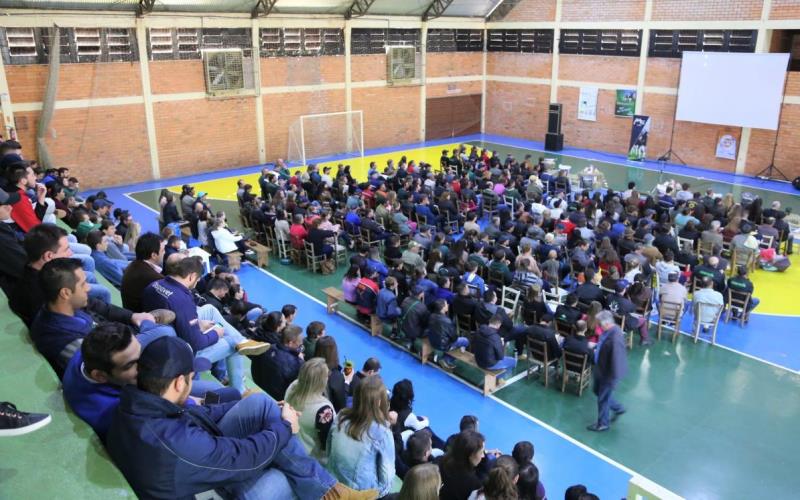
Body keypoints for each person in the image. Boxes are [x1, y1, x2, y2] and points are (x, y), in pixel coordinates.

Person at [105, 336, 373, 500]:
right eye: (190, 378)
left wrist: (243, 402)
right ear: (177, 383)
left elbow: (198, 412)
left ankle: (329, 491)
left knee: (260, 404)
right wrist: (283, 428)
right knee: (285, 478)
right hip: (207, 491)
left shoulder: (139, 403)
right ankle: (327, 493)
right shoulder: (175, 443)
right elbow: (243, 457)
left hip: (190, 471)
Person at [62, 322, 238, 441]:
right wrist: (193, 401)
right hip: (170, 410)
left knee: (216, 389)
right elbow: (174, 412)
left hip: (159, 394)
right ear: (100, 375)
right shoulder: (114, 412)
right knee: (229, 395)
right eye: (131, 364)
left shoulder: (87, 355)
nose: (144, 364)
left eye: (141, 353)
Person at [141, 255, 269, 394]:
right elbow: (196, 343)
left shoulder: (154, 285)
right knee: (232, 343)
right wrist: (216, 333)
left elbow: (171, 318)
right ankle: (239, 390)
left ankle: (243, 341)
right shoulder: (183, 299)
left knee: (209, 309)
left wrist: (198, 323)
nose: (195, 284)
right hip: (178, 356)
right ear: (191, 277)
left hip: (159, 340)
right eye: (196, 280)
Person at [29, 258, 174, 378]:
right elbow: (110, 368)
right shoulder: (66, 341)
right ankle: (149, 324)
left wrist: (132, 316)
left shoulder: (65, 305)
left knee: (160, 330)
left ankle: (146, 322)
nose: (88, 288)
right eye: (83, 284)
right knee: (166, 332)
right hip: (118, 355)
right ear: (65, 293)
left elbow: (104, 307)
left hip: (111, 334)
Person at [10, 223, 111, 326]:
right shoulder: (49, 289)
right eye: (66, 249)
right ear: (48, 256)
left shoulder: (33, 268)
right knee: (103, 291)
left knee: (90, 277)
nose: (70, 253)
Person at [327, 375, 395, 497]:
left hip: (332, 484)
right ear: (379, 402)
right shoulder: (383, 433)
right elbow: (386, 478)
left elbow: (329, 450)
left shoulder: (341, 416)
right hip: (359, 494)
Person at [285, 358, 335, 464]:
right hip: (308, 453)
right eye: (326, 376)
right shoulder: (324, 410)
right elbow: (326, 443)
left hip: (289, 439)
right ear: (320, 381)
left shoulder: (293, 387)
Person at [587, 311, 628, 432]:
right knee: (597, 391)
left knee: (603, 398)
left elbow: (617, 359)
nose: (598, 326)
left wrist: (612, 378)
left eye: (600, 324)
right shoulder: (609, 331)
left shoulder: (615, 339)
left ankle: (603, 423)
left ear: (606, 323)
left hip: (608, 374)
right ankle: (618, 408)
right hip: (601, 370)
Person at [252, 324, 304, 400]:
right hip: (276, 398)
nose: (300, 346)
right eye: (299, 344)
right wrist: (301, 360)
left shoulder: (267, 347)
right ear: (290, 343)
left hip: (258, 385)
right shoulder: (297, 364)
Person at [121, 233, 165, 312]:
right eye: (163, 250)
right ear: (154, 255)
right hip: (143, 320)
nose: (164, 253)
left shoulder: (133, 265)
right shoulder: (154, 278)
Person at [439, 430, 486, 500]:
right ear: (471, 455)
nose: (483, 456)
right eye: (482, 452)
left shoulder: (441, 461)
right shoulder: (473, 484)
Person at [473, 314, 517, 384]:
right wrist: (501, 345)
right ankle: (500, 377)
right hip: (489, 364)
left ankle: (499, 377)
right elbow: (500, 356)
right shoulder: (496, 337)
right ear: (499, 324)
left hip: (477, 359)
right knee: (513, 361)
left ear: (490, 321)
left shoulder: (479, 330)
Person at [427, 299, 469, 370]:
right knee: (465, 341)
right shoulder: (447, 321)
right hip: (443, 345)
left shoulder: (431, 316)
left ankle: (440, 356)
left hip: (432, 341)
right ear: (443, 308)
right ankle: (447, 359)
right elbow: (454, 337)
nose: (448, 305)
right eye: (446, 304)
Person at [313, 335, 348, 412]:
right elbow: (341, 405)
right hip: (325, 410)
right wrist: (347, 382)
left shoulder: (309, 365)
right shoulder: (336, 376)